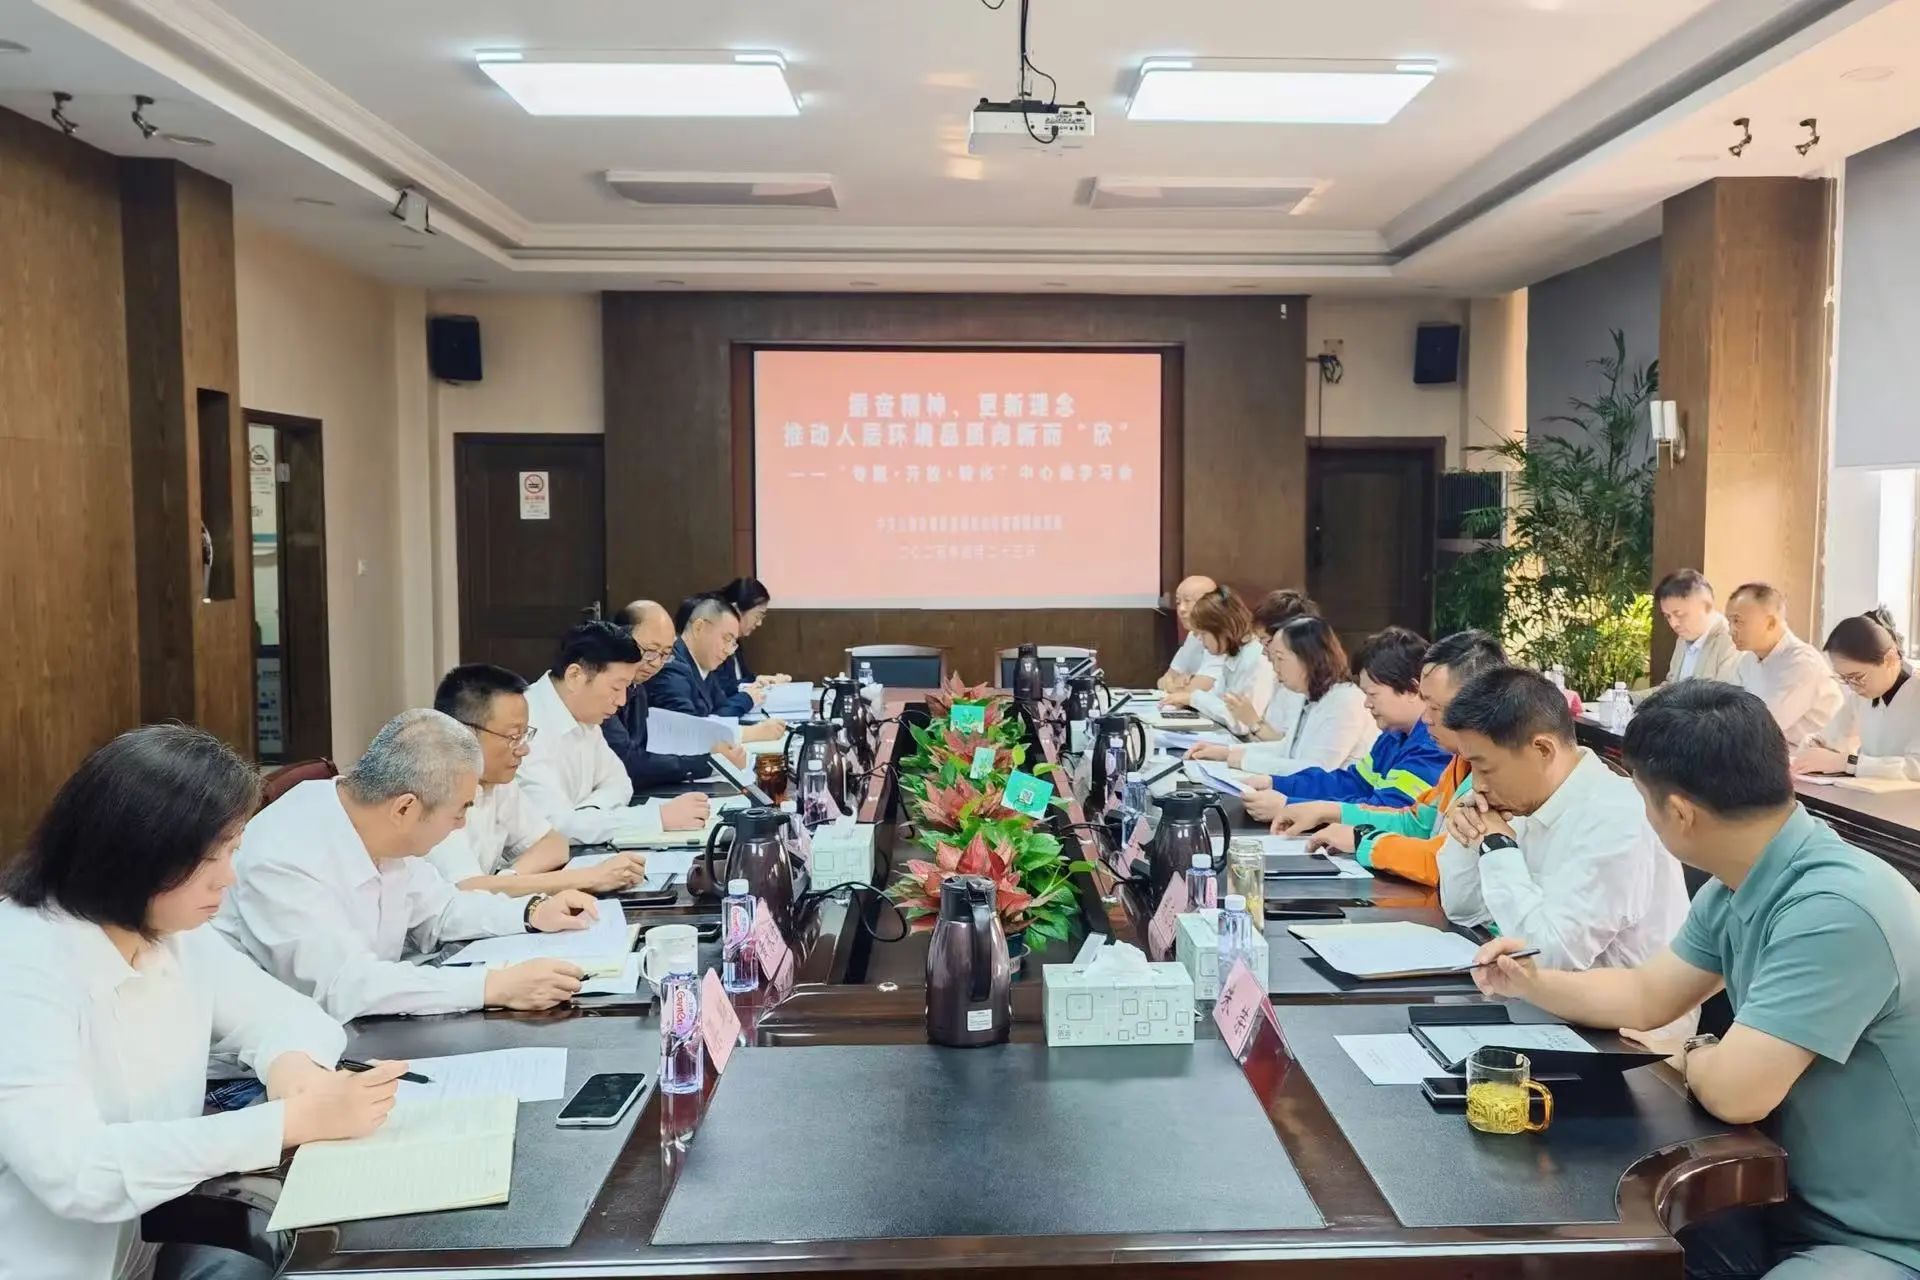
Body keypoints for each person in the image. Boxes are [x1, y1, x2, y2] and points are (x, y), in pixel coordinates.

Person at [1471, 681, 1920, 1280]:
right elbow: (1645, 995)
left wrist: (1696, 1049)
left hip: (1882, 1237)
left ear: (1679, 812)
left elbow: (1736, 1093)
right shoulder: (1742, 880)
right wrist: (1528, 981)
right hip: (1774, 1196)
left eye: (1644, 800)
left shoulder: (1837, 909)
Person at [0, 726, 409, 1280]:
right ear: (137, 851)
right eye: (211, 855)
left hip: (151, 1241)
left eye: (233, 849)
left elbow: (286, 1014)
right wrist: (283, 1123)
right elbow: (78, 1173)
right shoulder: (21, 964)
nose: (228, 878)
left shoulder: (170, 932)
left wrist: (293, 1069)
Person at [217, 709, 600, 1020]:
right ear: (405, 808)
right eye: (459, 811)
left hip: (360, 1032)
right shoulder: (283, 855)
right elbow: (345, 987)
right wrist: (493, 987)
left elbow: (441, 909)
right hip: (260, 1070)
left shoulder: (375, 822)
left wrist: (531, 912)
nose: (461, 825)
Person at [1435, 668, 1691, 1018]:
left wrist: (1497, 846)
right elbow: (1462, 909)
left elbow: (1546, 957)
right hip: (1543, 1011)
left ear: (1542, 749)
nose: (1477, 785)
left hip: (1628, 1035)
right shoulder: (1521, 799)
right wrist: (1469, 835)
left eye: (1485, 768)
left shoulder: (1618, 816)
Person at [1269, 630, 1506, 885]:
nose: (1426, 718)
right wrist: (1328, 811)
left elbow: (1446, 862)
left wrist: (1363, 840)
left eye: (1435, 707)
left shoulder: (1486, 770)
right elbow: (1416, 822)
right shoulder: (1458, 760)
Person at [427, 663, 651, 895]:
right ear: (464, 733)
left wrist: (509, 879)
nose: (524, 749)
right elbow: (468, 889)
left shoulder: (496, 781)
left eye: (525, 735)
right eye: (513, 736)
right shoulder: (433, 790)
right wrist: (589, 878)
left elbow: (554, 843)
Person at [517, 621, 713, 843]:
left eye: (626, 688)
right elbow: (556, 828)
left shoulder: (585, 714)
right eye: (616, 687)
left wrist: (587, 814)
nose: (621, 701)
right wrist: (656, 818)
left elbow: (619, 782)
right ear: (575, 676)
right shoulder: (522, 724)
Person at [1242, 626, 1449, 822]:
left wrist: (1291, 806)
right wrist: (1277, 784)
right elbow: (1353, 783)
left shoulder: (1434, 745)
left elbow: (1390, 811)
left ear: (1412, 690)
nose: (1367, 704)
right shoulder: (1394, 735)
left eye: (1373, 694)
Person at [1186, 615, 1373, 775]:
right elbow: (1287, 748)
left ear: (1309, 659)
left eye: (1280, 659)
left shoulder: (1345, 701)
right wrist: (1225, 752)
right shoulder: (1311, 696)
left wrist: (1237, 759)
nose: (1275, 668)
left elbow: (1314, 770)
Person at [603, 600, 750, 791]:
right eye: (650, 651)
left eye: (665, 654)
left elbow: (643, 751)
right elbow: (627, 762)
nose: (656, 663)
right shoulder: (605, 686)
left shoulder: (638, 686)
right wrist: (709, 763)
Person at [1794, 608, 1920, 782]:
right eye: (1844, 678)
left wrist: (1849, 762)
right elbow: (1830, 736)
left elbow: (1915, 768)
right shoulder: (1862, 695)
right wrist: (1814, 745)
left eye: (1857, 677)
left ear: (1890, 659)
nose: (1852, 687)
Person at [645, 597, 787, 740]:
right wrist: (752, 733)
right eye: (726, 639)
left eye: (733, 643)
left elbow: (719, 711)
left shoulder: (703, 664)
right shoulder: (671, 667)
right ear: (699, 628)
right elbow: (686, 733)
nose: (728, 651)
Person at [1728, 582, 1844, 749]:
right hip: (1768, 754)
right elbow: (1729, 712)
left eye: (1738, 621)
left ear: (1770, 623)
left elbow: (1761, 726)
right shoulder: (1747, 661)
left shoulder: (1803, 662)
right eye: (1729, 622)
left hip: (1816, 758)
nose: (1731, 630)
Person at [1161, 586, 1275, 734]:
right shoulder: (1232, 654)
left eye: (1203, 633)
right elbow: (1216, 696)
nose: (1200, 640)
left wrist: (1193, 699)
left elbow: (1242, 723)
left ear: (1222, 629)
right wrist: (1188, 700)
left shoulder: (1258, 659)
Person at [1634, 568, 1741, 702]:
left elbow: (1722, 702)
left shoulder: (1730, 641)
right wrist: (1629, 698)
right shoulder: (1683, 638)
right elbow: (1671, 689)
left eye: (1679, 614)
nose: (1673, 624)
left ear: (1706, 607)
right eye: (1668, 616)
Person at [712, 576, 790, 703]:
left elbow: (741, 679)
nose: (759, 623)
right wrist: (752, 685)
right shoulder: (715, 644)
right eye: (758, 616)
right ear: (736, 610)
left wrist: (761, 680)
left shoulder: (736, 641)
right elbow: (721, 689)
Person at [1157, 574, 1220, 692]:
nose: (1181, 609)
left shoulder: (1221, 637)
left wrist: (1181, 684)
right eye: (1178, 602)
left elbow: (1200, 688)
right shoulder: (1193, 635)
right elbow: (1163, 680)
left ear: (1211, 603)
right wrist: (1177, 683)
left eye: (1188, 601)